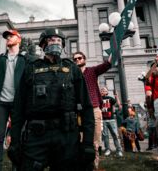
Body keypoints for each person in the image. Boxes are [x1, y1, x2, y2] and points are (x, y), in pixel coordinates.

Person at [8, 28, 95, 170]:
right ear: (42, 45)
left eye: (59, 40)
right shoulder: (31, 69)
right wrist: (15, 141)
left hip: (67, 135)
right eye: (51, 40)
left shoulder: (72, 68)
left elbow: (87, 107)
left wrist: (88, 143)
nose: (56, 43)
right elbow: (18, 107)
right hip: (36, 136)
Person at [0, 29, 27, 171]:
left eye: (11, 36)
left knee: (16, 138)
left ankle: (16, 167)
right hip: (0, 103)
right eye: (6, 37)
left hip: (18, 104)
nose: (8, 38)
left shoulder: (25, 59)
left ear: (19, 39)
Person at [73, 51, 112, 169]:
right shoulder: (72, 74)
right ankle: (82, 165)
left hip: (94, 109)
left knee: (95, 140)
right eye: (75, 59)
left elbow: (106, 65)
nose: (77, 60)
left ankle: (94, 166)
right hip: (78, 112)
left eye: (79, 58)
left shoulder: (92, 71)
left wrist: (114, 50)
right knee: (79, 140)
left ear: (84, 59)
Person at [100, 86, 123, 157]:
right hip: (103, 120)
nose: (102, 91)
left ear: (107, 92)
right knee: (105, 136)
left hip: (111, 120)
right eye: (101, 90)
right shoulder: (99, 99)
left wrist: (116, 95)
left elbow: (118, 105)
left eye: (104, 90)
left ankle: (119, 150)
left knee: (114, 135)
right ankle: (107, 149)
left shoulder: (110, 98)